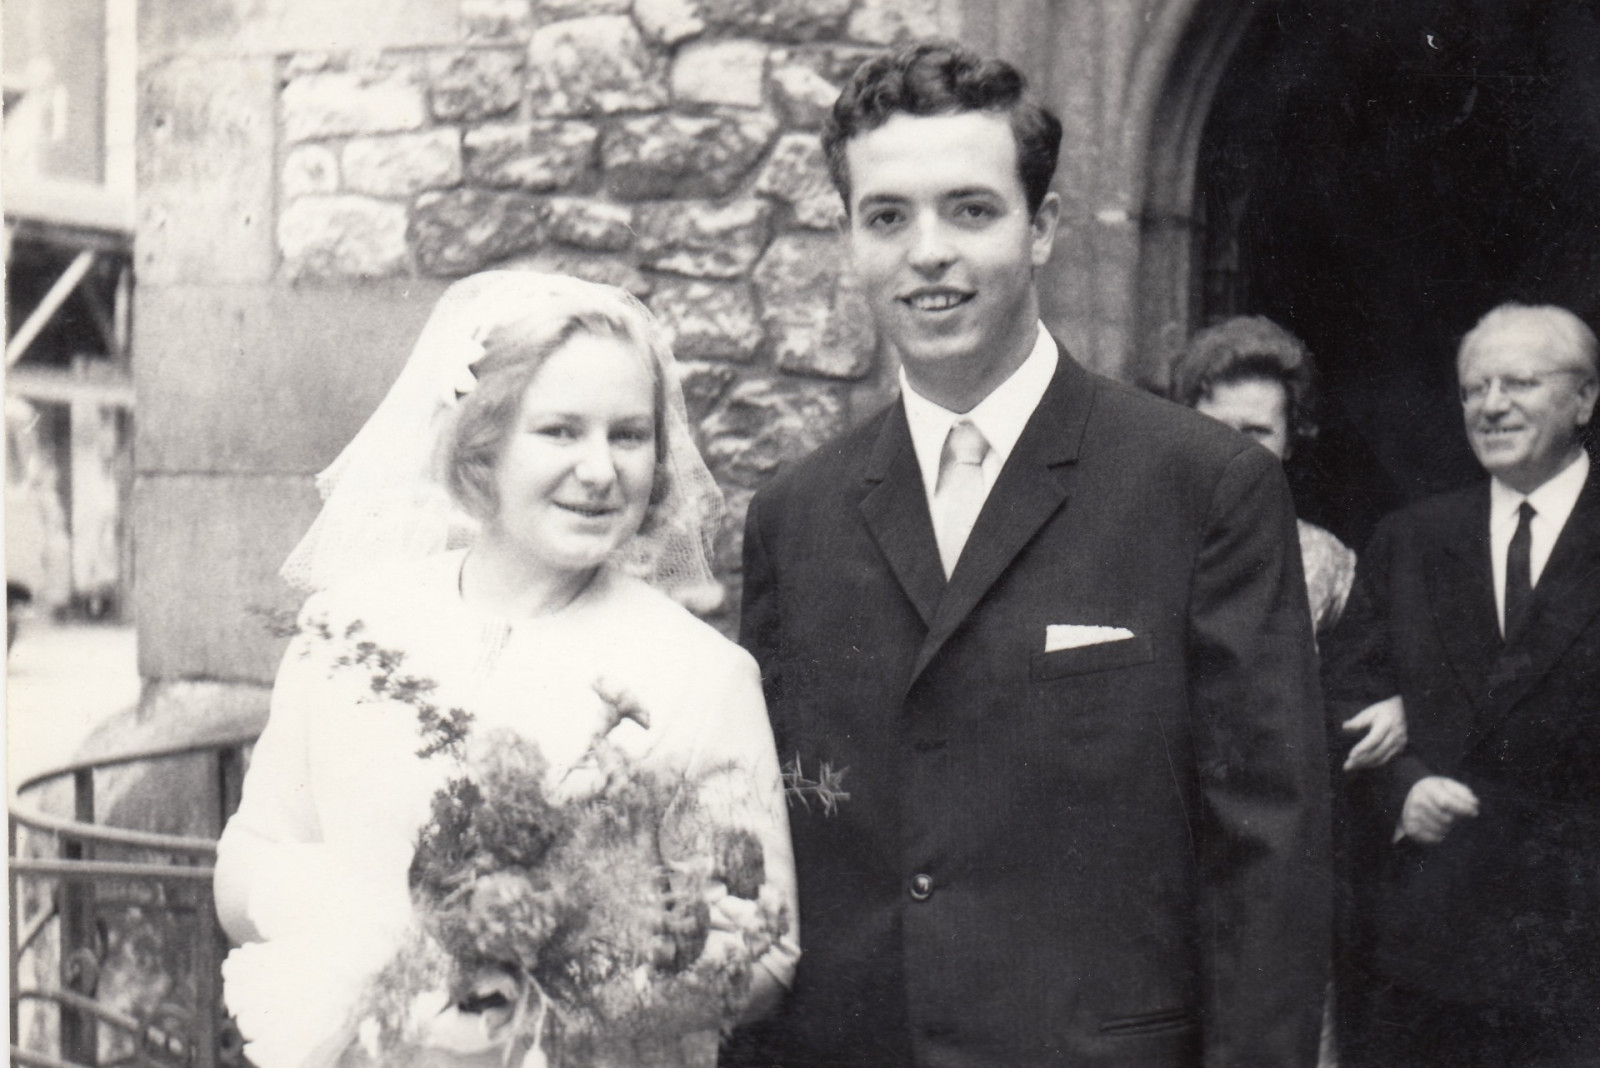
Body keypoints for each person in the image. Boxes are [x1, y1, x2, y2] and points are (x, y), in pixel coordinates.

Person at [728, 41, 1329, 1068]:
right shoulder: (796, 517)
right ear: (848, 238)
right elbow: (777, 847)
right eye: (887, 217)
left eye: (970, 210)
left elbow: (1268, 861)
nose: (927, 252)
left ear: (1042, 228)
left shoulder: (1201, 488)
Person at [213, 272, 798, 1068]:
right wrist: (377, 944)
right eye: (561, 431)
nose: (601, 470)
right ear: (482, 444)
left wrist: (561, 1009)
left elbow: (766, 951)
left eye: (629, 435)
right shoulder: (348, 628)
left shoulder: (701, 674)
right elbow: (252, 854)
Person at [1321, 302, 1600, 1067]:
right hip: (1432, 946)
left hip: (1579, 943)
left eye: (1519, 383)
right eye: (1475, 388)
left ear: (1584, 398)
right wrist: (1403, 788)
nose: (1491, 405)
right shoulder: (1411, 540)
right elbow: (1342, 695)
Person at [1170, 315, 1404, 770]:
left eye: (1257, 432)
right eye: (1214, 428)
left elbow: (1356, 694)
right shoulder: (1138, 541)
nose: (1232, 450)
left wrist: (1399, 711)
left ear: (1290, 442)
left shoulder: (1327, 564)